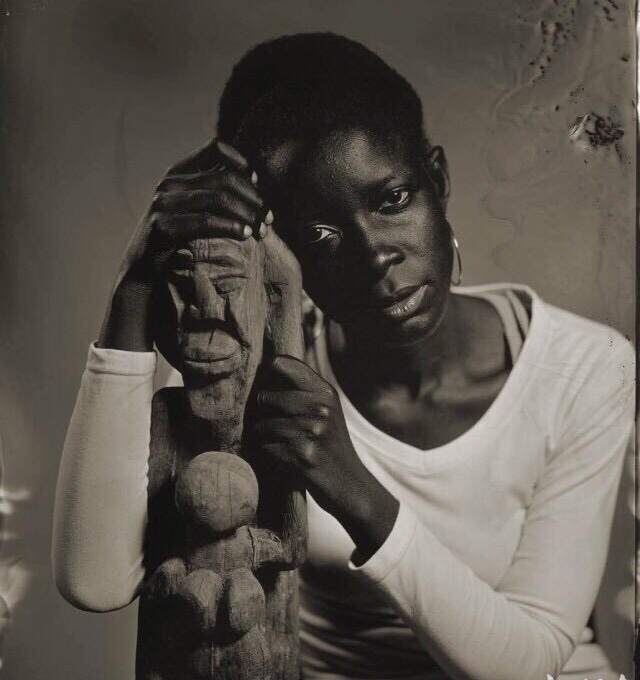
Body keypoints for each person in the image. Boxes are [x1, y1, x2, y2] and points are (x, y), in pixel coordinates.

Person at [51, 33, 635, 680]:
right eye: (320, 233)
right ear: (278, 249)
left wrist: (351, 483)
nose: (375, 255)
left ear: (437, 181)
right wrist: (137, 278)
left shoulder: (583, 365)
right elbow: (94, 581)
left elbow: (528, 663)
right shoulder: (258, 361)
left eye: (392, 200)